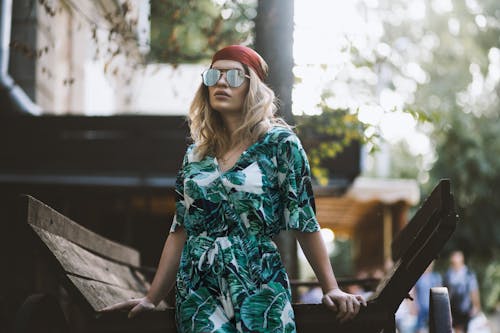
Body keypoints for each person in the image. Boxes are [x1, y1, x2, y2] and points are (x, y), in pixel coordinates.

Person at [102, 45, 366, 332]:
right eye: (214, 75)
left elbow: (303, 219)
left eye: (235, 76)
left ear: (253, 88)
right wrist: (152, 299)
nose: (222, 82)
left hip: (259, 281)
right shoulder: (195, 156)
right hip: (199, 289)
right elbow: (180, 231)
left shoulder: (281, 145)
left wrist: (331, 288)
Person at [443, 250, 481, 333]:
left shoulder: (469, 274)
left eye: (456, 262)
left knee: (464, 329)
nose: (454, 264)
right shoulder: (448, 274)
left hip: (465, 308)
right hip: (453, 308)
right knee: (456, 329)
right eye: (453, 262)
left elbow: (474, 291)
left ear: (461, 261)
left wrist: (476, 306)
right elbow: (446, 290)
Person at [414, 261, 442, 333]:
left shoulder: (436, 277)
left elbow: (440, 293)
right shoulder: (418, 278)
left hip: (433, 309)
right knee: (420, 329)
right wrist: (414, 305)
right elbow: (415, 292)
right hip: (421, 310)